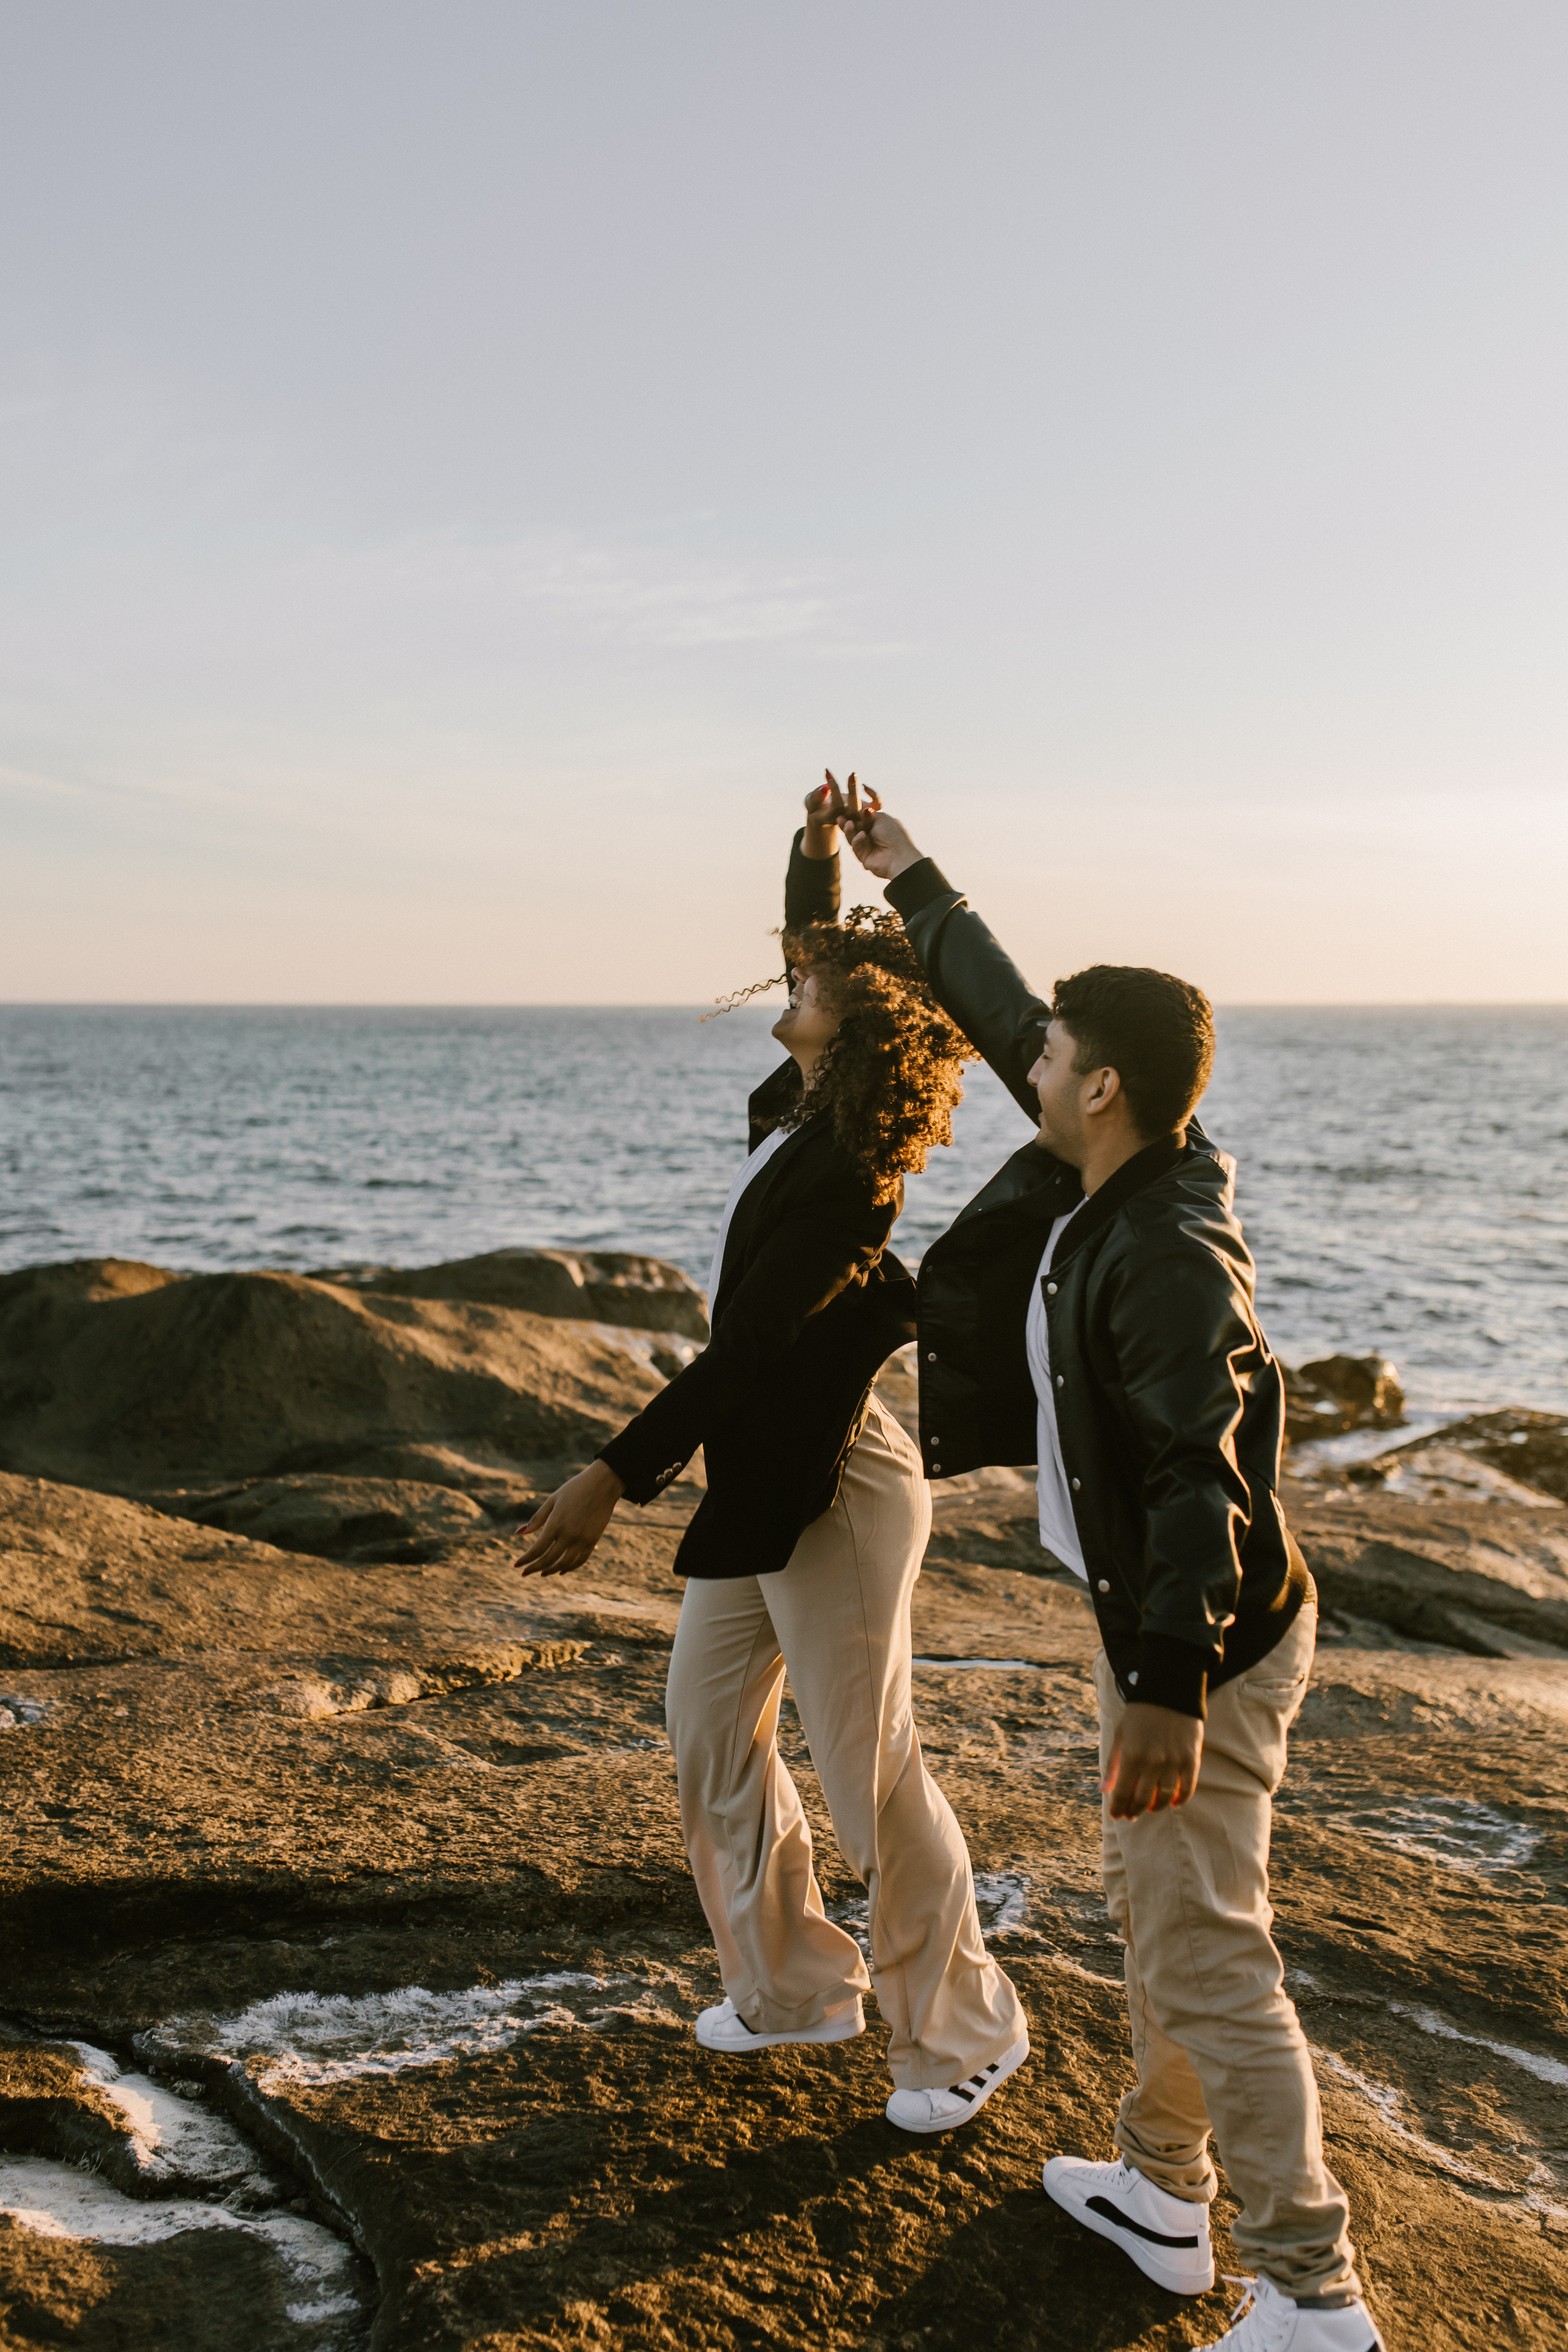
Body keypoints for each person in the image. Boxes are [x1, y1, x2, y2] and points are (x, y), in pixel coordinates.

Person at [832, 782, 1384, 2351]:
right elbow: (1007, 1010)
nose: (1028, 1069)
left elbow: (1206, 1472)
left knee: (1205, 1949)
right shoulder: (1122, 1160)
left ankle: (1312, 2295)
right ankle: (1158, 2186)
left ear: (1104, 1088)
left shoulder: (1165, 1252)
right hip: (1154, 1622)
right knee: (1166, 1924)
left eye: (1053, 1059)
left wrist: (1168, 1683)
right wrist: (908, 875)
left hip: (1197, 1641)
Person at [514, 780, 1028, 2134]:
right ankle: (796, 1988)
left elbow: (745, 1350)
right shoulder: (796, 1111)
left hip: (838, 1489)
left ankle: (964, 2030)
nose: (790, 980)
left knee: (868, 1772)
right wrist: (813, 859)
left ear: (855, 1024)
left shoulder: (854, 1173)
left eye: (813, 981)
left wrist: (611, 1475)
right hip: (765, 1476)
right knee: (706, 1733)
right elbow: (817, 950)